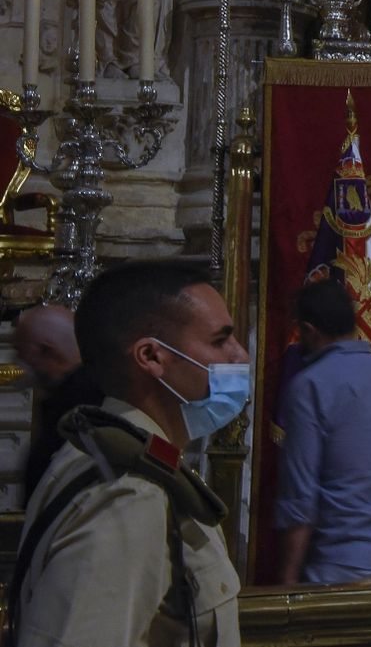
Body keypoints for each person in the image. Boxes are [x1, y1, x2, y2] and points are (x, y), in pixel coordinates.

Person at [12, 262, 249, 647]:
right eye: (220, 341)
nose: (239, 356)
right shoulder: (129, 499)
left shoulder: (99, 452)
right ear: (152, 357)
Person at [276, 278, 371, 584]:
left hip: (334, 566)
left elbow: (301, 497)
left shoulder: (309, 386)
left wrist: (286, 579)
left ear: (308, 331)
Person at [12, 303, 102, 498]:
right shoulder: (68, 397)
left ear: (47, 351)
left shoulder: (77, 407)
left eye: (21, 352)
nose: (18, 362)